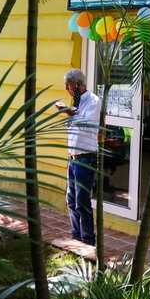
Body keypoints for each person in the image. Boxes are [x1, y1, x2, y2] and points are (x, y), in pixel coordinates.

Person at [55, 69, 101, 245]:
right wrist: (70, 115)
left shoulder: (93, 101)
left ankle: (88, 239)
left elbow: (87, 126)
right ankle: (76, 235)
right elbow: (74, 126)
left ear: (79, 84)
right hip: (73, 158)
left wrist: (70, 113)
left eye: (69, 85)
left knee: (82, 200)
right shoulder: (77, 101)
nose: (67, 88)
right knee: (71, 199)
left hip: (86, 157)